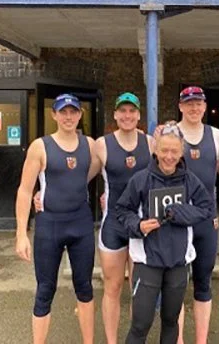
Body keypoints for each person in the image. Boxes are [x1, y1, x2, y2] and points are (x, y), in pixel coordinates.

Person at [116, 122, 215, 344]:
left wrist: (180, 213)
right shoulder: (141, 179)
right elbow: (122, 210)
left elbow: (207, 208)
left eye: (174, 151)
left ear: (181, 152)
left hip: (178, 262)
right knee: (140, 324)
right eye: (164, 150)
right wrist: (139, 225)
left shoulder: (190, 180)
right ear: (156, 150)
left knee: (171, 322)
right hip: (147, 262)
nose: (169, 156)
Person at [15, 93, 101, 344]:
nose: (68, 117)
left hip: (81, 224)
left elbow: (92, 171)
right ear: (54, 114)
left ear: (80, 114)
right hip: (49, 226)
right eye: (63, 112)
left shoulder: (90, 145)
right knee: (45, 289)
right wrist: (21, 234)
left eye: (73, 111)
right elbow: (24, 190)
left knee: (84, 287)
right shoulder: (40, 146)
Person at [96, 92, 153, 344]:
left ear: (139, 115)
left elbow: (168, 174)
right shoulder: (102, 144)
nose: (127, 115)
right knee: (113, 286)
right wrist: (42, 193)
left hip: (141, 224)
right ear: (115, 114)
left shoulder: (150, 143)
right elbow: (78, 178)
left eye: (132, 111)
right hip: (113, 225)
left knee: (138, 290)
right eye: (123, 111)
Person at [176, 86, 219, 344]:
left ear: (205, 107)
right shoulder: (170, 133)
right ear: (180, 106)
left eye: (198, 103)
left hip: (206, 220)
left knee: (203, 283)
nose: (194, 108)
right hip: (177, 220)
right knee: (176, 285)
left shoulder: (217, 136)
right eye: (189, 103)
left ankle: (201, 340)